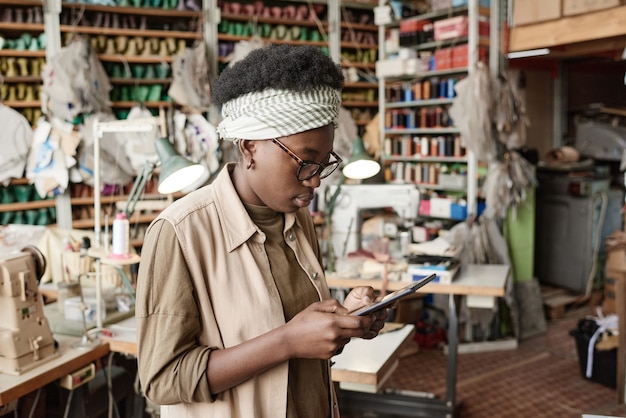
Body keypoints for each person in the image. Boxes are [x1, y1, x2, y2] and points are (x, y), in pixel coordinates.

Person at [135, 44, 388, 418]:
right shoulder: (181, 232)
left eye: (325, 163)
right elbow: (162, 380)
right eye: (306, 163)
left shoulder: (296, 218)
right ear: (250, 147)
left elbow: (302, 340)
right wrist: (285, 342)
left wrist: (344, 322)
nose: (315, 181)